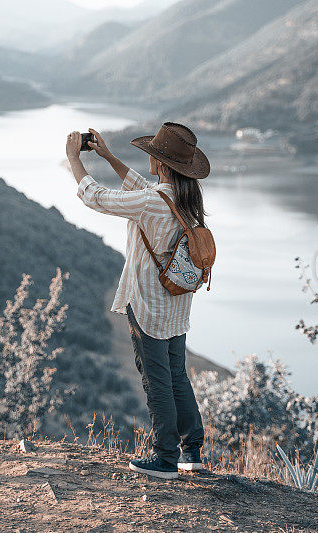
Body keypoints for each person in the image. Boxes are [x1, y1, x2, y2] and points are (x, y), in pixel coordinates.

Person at [65, 122, 210, 480]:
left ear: (161, 163)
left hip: (147, 303)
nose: (149, 158)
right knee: (177, 375)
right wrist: (109, 156)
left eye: (153, 154)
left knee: (156, 379)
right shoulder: (186, 199)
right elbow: (144, 189)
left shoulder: (152, 201)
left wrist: (74, 159)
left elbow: (97, 198)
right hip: (176, 303)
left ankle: (164, 458)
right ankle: (191, 451)